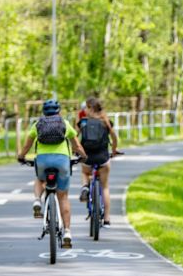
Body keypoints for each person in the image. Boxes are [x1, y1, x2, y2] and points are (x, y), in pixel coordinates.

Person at [17, 99, 87, 248]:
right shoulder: (65, 124)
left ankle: (37, 200)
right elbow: (77, 145)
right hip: (62, 162)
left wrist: (21, 156)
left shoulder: (37, 125)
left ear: (44, 112)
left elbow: (27, 145)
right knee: (63, 197)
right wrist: (83, 156)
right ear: (58, 111)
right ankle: (67, 231)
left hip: (43, 161)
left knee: (40, 180)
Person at [76, 97, 119, 227]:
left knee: (84, 172)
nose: (85, 110)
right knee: (105, 187)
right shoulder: (106, 122)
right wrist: (114, 149)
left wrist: (77, 151)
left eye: (86, 108)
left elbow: (75, 138)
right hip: (102, 158)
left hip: (87, 158)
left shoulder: (83, 122)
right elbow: (114, 137)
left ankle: (85, 187)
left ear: (90, 108)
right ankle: (106, 219)